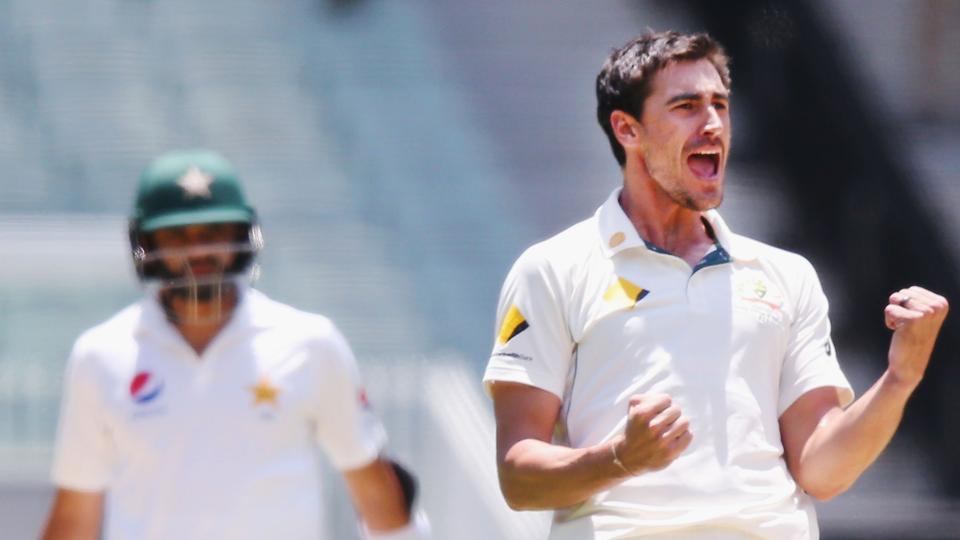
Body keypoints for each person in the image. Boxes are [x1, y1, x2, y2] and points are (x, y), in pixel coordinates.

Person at [482, 31, 948, 539]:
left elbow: (823, 471)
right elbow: (518, 477)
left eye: (720, 105)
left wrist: (900, 379)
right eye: (686, 106)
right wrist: (619, 458)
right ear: (627, 129)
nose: (712, 124)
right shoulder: (552, 269)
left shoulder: (787, 275)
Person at [41, 149, 430, 540]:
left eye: (214, 232)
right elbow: (75, 513)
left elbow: (371, 485)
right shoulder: (101, 354)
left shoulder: (310, 344)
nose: (199, 252)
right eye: (177, 236)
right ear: (144, 243)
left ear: (243, 235)